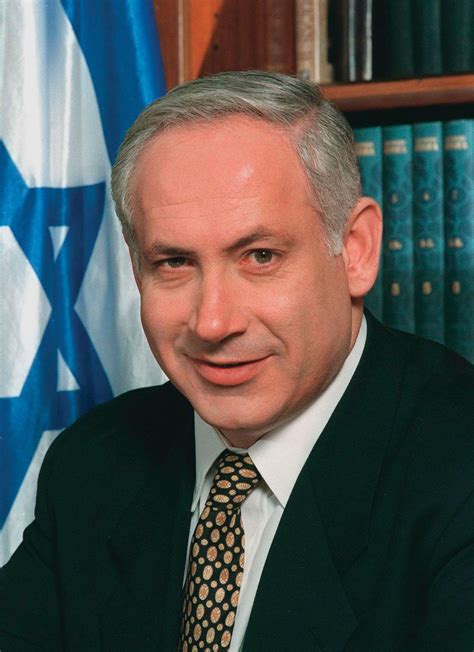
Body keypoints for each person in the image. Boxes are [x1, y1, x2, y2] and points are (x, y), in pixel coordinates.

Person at [0, 71, 473, 652]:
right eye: (174, 263)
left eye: (260, 256)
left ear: (356, 251)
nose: (213, 323)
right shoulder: (93, 464)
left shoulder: (459, 473)